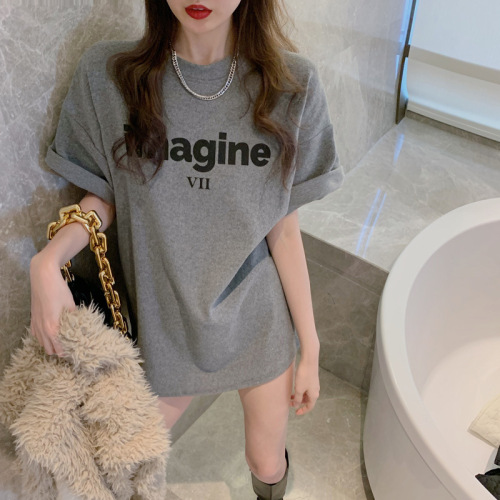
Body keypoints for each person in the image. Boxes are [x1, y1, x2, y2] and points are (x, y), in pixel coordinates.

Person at [29, 0, 344, 498]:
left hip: (256, 322)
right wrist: (47, 261)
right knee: (121, 467)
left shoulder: (291, 87)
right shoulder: (110, 77)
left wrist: (311, 345)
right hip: (164, 325)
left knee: (265, 462)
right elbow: (105, 195)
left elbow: (283, 230)